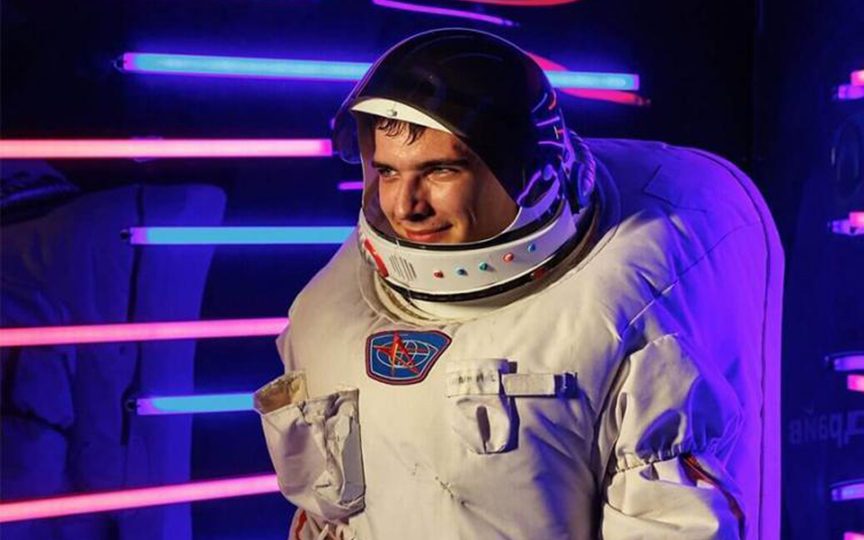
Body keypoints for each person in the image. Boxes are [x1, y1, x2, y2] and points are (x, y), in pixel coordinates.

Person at [254, 28, 782, 539]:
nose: (405, 205)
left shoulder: (621, 318)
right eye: (388, 172)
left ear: (527, 173)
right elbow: (326, 515)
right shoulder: (326, 315)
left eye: (440, 171)